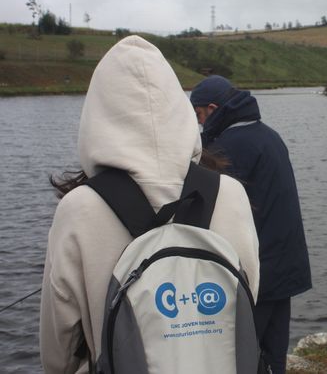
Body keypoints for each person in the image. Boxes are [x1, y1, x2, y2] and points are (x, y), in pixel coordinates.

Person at [39, 36, 260, 373]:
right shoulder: (230, 193)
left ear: (97, 115)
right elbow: (249, 294)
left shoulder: (79, 209)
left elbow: (60, 347)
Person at [190, 76, 312, 374]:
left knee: (239, 356)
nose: (198, 124)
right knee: (274, 355)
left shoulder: (226, 148)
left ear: (214, 108)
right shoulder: (269, 136)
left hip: (258, 273)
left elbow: (207, 209)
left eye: (199, 115)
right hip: (286, 266)